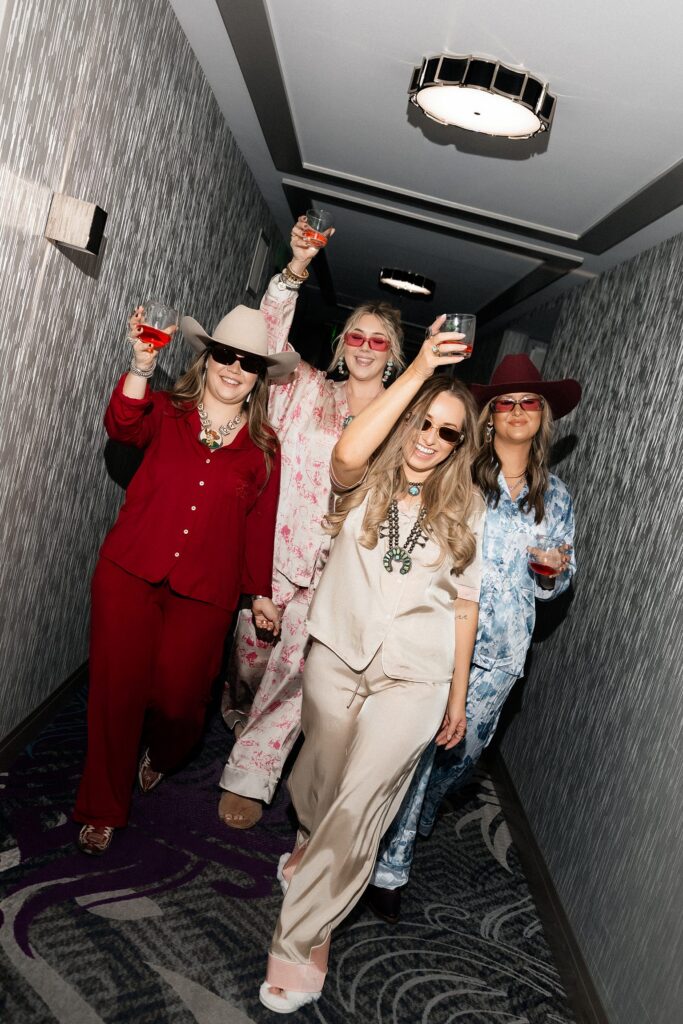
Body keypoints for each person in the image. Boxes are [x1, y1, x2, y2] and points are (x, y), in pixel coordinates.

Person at [259, 320, 486, 1013]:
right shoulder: (361, 480)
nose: (429, 438)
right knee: (321, 778)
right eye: (423, 421)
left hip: (414, 677)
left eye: (447, 432)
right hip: (336, 652)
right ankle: (308, 839)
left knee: (360, 806)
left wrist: (455, 697)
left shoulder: (469, 507)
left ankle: (302, 936)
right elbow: (345, 454)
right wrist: (417, 372)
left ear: (460, 446)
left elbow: (465, 606)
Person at [73, 302, 298, 855]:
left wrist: (260, 594)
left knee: (180, 701)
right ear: (207, 358)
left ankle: (165, 753)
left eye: (248, 362)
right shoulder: (166, 411)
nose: (234, 368)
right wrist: (141, 365)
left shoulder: (264, 447)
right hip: (129, 572)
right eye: (225, 355)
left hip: (206, 592)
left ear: (259, 377)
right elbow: (122, 425)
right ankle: (101, 807)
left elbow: (259, 525)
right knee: (115, 694)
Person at [366, 353, 581, 922]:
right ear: (490, 416)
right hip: (440, 636)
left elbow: (557, 586)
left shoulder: (557, 497)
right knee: (419, 748)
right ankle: (392, 865)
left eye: (529, 402)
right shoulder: (459, 475)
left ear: (542, 416)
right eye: (506, 402)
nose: (517, 410)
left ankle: (419, 808)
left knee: (461, 758)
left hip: (503, 654)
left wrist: (555, 575)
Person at [217, 217, 405, 829]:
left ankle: (250, 773)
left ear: (394, 356)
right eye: (357, 336)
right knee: (251, 661)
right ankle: (237, 707)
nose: (366, 347)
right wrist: (295, 268)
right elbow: (263, 342)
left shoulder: (401, 425)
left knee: (296, 674)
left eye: (380, 342)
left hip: (336, 575)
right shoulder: (302, 390)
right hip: (271, 560)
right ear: (341, 344)